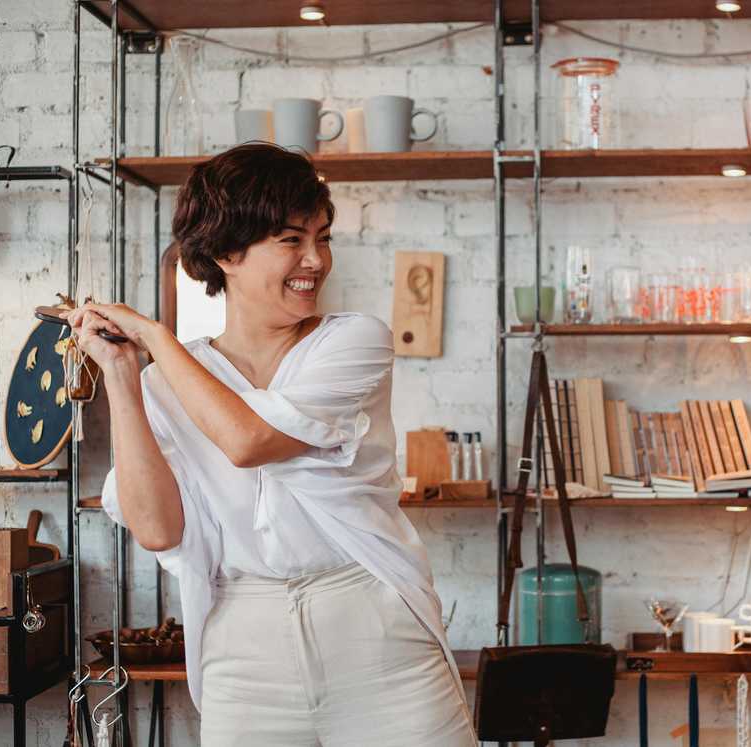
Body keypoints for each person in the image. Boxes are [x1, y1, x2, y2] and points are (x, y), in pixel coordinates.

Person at [69, 143, 477, 746]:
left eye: (323, 237)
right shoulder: (166, 378)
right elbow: (158, 529)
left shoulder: (354, 342)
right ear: (225, 252)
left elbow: (248, 440)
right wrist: (127, 378)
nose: (316, 259)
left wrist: (155, 334)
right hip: (244, 645)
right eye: (291, 240)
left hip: (373, 629)